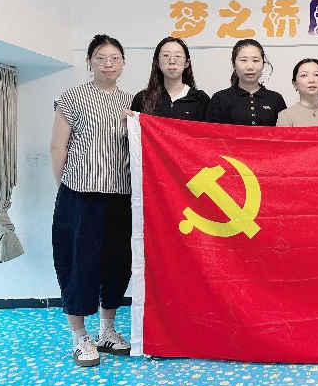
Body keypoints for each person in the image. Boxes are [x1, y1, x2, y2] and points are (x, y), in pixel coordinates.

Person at [50, 34, 133, 367]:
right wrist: (65, 189)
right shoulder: (72, 97)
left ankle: (107, 330)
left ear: (123, 63)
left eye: (114, 58)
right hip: (80, 196)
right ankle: (79, 336)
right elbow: (58, 147)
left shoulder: (131, 102)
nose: (108, 64)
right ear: (89, 62)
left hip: (121, 196)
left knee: (117, 263)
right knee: (78, 264)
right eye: (100, 58)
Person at [206, 38, 286, 126]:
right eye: (243, 60)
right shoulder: (220, 99)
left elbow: (283, 133)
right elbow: (211, 133)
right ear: (234, 64)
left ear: (263, 64)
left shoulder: (276, 99)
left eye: (255, 60)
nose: (250, 67)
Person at [131, 36, 209, 120]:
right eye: (165, 55)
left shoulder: (201, 100)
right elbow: (136, 128)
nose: (172, 61)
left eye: (178, 56)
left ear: (187, 63)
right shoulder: (142, 99)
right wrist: (127, 122)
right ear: (157, 62)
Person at [276, 58, 318, 127]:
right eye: (304, 75)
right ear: (295, 84)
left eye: (316, 75)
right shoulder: (286, 116)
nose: (311, 80)